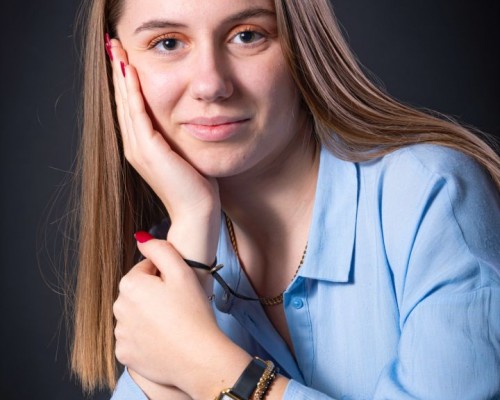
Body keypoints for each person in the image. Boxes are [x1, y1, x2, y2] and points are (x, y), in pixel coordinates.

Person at [69, 0, 500, 399]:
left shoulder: (433, 195)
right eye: (167, 43)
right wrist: (192, 222)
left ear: (302, 45)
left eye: (247, 35)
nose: (211, 84)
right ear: (117, 67)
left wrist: (212, 369)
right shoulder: (180, 245)